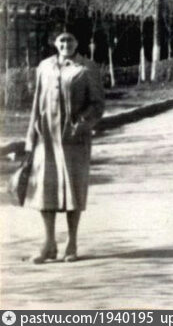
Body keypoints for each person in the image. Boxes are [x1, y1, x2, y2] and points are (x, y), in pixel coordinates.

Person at [22, 32, 105, 263]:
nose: (66, 44)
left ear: (77, 42)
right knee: (45, 190)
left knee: (73, 189)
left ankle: (72, 242)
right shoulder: (44, 67)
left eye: (70, 40)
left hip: (74, 139)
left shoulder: (87, 68)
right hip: (46, 137)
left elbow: (98, 104)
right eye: (62, 40)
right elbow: (37, 102)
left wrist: (83, 123)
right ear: (55, 43)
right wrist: (30, 137)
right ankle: (48, 244)